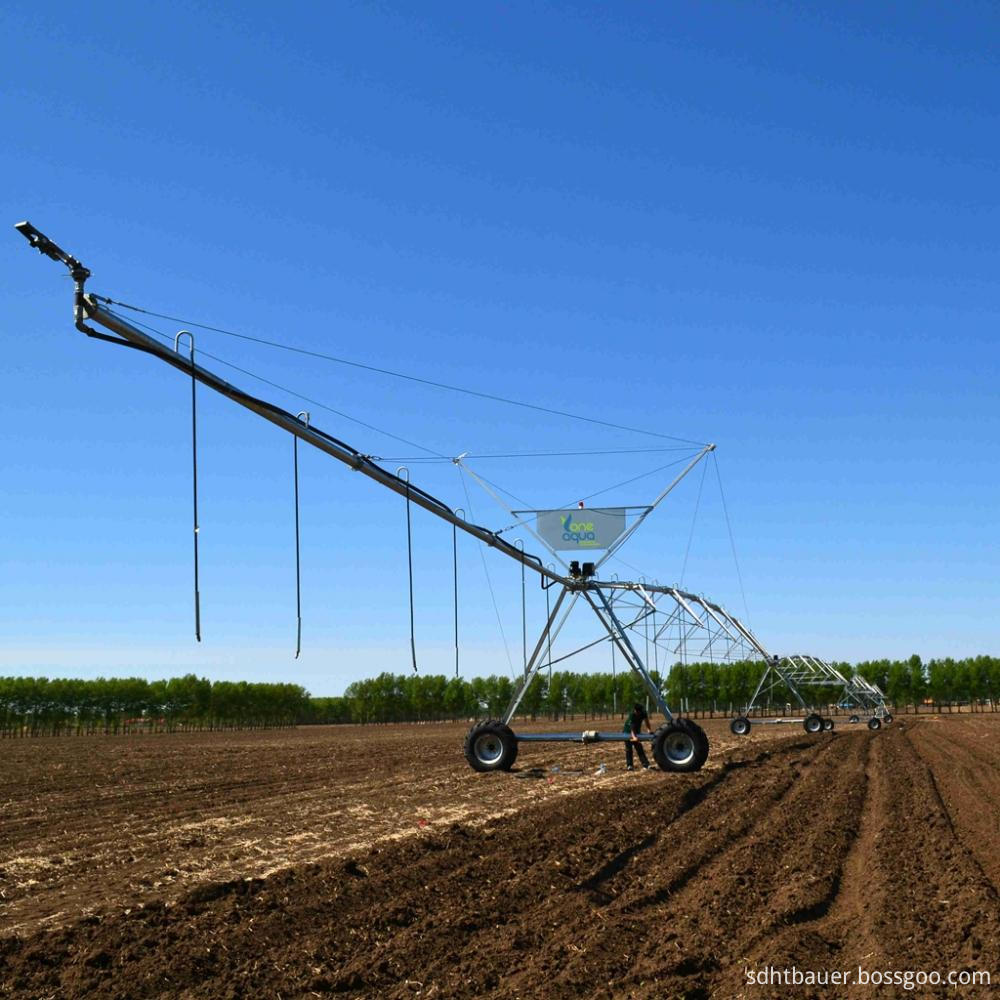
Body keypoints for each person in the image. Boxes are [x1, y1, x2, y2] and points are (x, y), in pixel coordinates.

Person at [624, 701, 653, 770]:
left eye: (638, 712)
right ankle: (629, 765)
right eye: (636, 711)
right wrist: (634, 737)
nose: (637, 713)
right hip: (627, 732)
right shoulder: (632, 715)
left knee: (639, 748)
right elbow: (632, 728)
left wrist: (649, 730)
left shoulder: (643, 713)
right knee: (629, 749)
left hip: (636, 731)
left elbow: (647, 722)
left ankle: (646, 764)